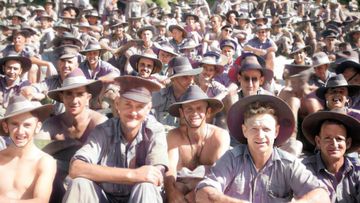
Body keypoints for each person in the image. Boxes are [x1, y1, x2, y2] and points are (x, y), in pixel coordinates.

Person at [196, 94, 330, 202]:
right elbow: (203, 192)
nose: (260, 136)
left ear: (276, 132)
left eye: (266, 129)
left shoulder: (289, 164)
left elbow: (322, 195)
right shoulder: (231, 159)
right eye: (254, 129)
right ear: (244, 131)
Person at [63, 76, 168, 203]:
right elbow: (76, 168)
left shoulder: (155, 131)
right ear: (117, 104)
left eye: (139, 106)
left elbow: (156, 175)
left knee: (146, 187)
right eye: (128, 104)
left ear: (148, 108)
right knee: (80, 184)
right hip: (105, 198)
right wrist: (132, 175)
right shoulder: (104, 130)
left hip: (138, 198)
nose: (133, 112)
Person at [37, 68, 108, 202]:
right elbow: (35, 150)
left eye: (80, 94)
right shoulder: (52, 125)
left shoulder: (99, 122)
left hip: (91, 185)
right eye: (69, 94)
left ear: (88, 97)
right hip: (56, 185)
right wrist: (67, 144)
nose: (74, 100)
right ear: (61, 97)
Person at [165, 85, 230, 202]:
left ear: (208, 112)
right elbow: (170, 169)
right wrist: (171, 192)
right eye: (189, 109)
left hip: (207, 192)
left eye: (199, 108)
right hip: (179, 191)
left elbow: (219, 175)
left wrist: (191, 196)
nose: (194, 113)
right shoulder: (174, 136)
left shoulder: (219, 137)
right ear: (181, 113)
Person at [0, 95, 56, 202]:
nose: (20, 131)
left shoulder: (44, 161)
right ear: (6, 127)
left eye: (27, 125)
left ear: (37, 127)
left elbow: (41, 200)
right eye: (15, 124)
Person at [302, 110, 360, 202]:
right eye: (328, 138)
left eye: (339, 139)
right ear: (318, 142)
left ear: (348, 143)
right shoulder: (303, 170)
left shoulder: (357, 170)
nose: (334, 144)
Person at [152, 56, 202, 129]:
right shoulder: (158, 96)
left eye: (192, 76)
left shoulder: (197, 98)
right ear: (173, 79)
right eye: (185, 77)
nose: (191, 81)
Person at [0, 51, 32, 115]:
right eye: (9, 68)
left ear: (20, 71)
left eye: (15, 69)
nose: (12, 71)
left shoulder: (24, 84)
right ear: (3, 68)